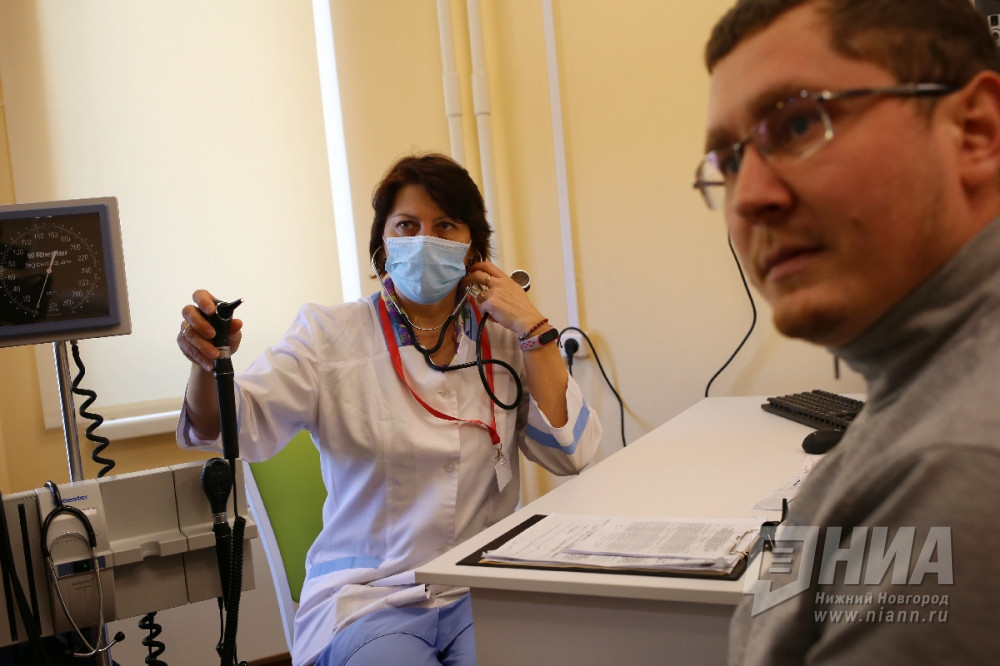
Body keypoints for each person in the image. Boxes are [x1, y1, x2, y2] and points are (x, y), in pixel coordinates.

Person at [175, 153, 602, 665]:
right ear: (383, 242)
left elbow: (570, 452)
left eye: (445, 225)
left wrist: (535, 329)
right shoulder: (328, 335)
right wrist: (208, 362)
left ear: (473, 247)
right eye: (407, 225)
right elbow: (222, 426)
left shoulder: (505, 337)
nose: (425, 240)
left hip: (480, 585)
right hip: (369, 596)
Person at [695, 0, 1000, 663]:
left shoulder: (954, 472)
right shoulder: (923, 390)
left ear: (974, 132)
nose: (749, 198)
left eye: (800, 123)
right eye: (730, 161)